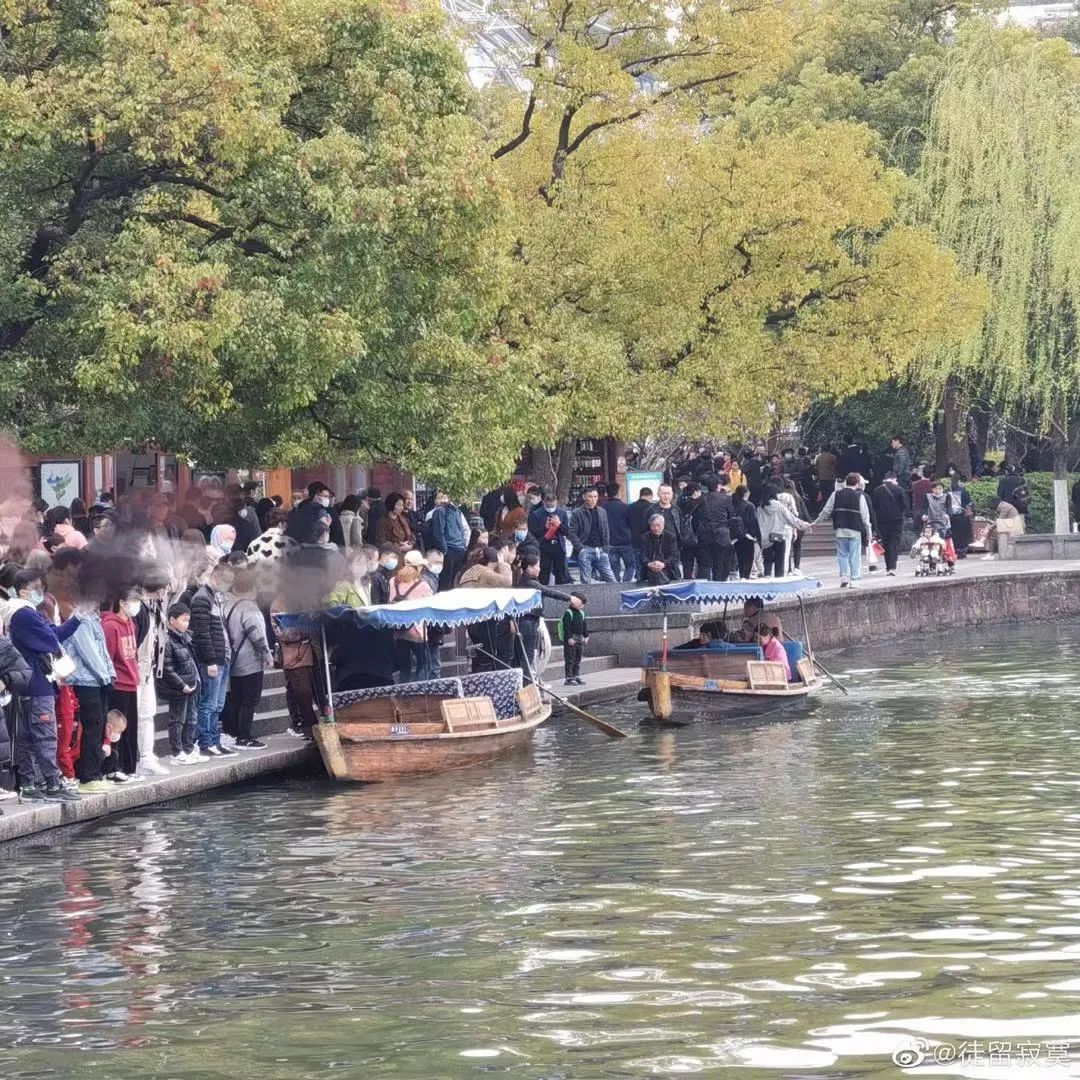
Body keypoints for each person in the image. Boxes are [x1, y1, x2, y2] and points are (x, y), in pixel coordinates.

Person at [4, 570, 81, 802]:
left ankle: (28, 785)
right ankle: (52, 783)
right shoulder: (25, 614)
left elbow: (53, 635)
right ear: (24, 590)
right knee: (45, 736)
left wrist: (77, 618)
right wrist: (78, 617)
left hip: (28, 682)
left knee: (28, 737)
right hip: (37, 682)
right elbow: (51, 639)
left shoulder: (20, 613)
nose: (41, 591)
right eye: (37, 587)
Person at [65, 596, 115, 794]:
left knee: (99, 726)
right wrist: (105, 677)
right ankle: (88, 776)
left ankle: (95, 773)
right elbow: (89, 653)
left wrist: (110, 674)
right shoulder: (79, 619)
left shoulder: (94, 619)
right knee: (92, 726)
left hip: (98, 681)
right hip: (86, 681)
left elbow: (102, 652)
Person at [189, 558, 237, 757]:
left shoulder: (213, 597)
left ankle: (214, 741)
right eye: (225, 581)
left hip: (221, 656)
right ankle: (205, 742)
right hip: (212, 659)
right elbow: (201, 633)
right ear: (214, 577)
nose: (226, 586)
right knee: (208, 702)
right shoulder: (202, 598)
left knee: (217, 703)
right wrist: (210, 661)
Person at [224, 570, 273, 749]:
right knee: (250, 699)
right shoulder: (249, 608)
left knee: (237, 698)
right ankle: (244, 737)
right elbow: (257, 634)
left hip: (234, 661)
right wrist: (267, 654)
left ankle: (236, 733)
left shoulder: (229, 605)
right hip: (249, 661)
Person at [101, 588, 143, 782]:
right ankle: (114, 768)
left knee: (130, 728)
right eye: (133, 601)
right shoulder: (111, 626)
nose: (137, 606)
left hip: (131, 682)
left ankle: (129, 767)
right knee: (116, 728)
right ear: (122, 603)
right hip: (118, 684)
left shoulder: (131, 624)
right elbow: (108, 657)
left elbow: (132, 654)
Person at [157, 603, 203, 765]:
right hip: (179, 688)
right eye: (183, 620)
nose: (186, 624)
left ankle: (188, 748)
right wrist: (182, 684)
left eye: (188, 620)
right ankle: (177, 752)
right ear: (172, 620)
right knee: (177, 720)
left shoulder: (185, 637)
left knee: (191, 719)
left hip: (191, 684)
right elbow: (167, 668)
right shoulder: (168, 640)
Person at [515, 554, 571, 682]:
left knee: (530, 653)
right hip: (527, 621)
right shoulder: (530, 583)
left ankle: (529, 680)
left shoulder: (526, 580)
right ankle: (527, 683)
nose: (539, 569)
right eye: (537, 566)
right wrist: (569, 598)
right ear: (529, 567)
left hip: (531, 620)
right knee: (527, 654)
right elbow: (548, 591)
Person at [460, 547, 514, 671]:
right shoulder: (485, 573)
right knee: (487, 658)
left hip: (471, 619)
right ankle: (487, 686)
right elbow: (507, 581)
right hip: (484, 619)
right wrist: (503, 564)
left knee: (479, 657)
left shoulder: (469, 572)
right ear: (492, 562)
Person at [815, 473, 872, 588]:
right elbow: (865, 517)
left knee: (842, 554)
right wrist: (869, 532)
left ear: (846, 482)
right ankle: (854, 579)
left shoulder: (836, 494)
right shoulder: (860, 496)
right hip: (855, 529)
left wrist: (816, 522)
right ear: (857, 483)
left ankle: (844, 578)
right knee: (854, 555)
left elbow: (826, 511)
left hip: (840, 529)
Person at [389, 561, 433, 683]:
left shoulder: (393, 581)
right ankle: (421, 691)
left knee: (404, 668)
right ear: (418, 567)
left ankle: (404, 694)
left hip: (398, 631)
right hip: (417, 633)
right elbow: (430, 604)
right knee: (424, 665)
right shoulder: (423, 585)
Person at [756, 487, 810, 579]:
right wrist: (805, 525)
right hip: (779, 536)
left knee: (767, 562)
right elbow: (791, 519)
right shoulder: (779, 506)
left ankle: (767, 577)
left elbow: (757, 523)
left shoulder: (760, 508)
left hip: (765, 539)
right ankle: (779, 580)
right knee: (780, 562)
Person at [695, 474, 737, 582]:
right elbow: (731, 515)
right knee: (720, 563)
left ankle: (704, 589)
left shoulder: (702, 499)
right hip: (722, 534)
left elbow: (697, 517)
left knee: (705, 564)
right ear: (718, 486)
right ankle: (719, 587)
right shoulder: (725, 498)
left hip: (705, 534)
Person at [569, 487, 615, 583]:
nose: (593, 499)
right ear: (584, 497)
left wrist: (606, 547)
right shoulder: (577, 513)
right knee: (586, 580)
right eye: (590, 497)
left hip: (601, 549)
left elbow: (606, 530)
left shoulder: (602, 511)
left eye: (595, 496)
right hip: (586, 548)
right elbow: (572, 533)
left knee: (611, 578)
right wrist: (580, 548)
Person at [529, 494, 571, 585]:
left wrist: (559, 525)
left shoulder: (562, 513)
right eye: (548, 506)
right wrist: (545, 527)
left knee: (561, 572)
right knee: (543, 572)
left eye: (552, 505)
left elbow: (566, 532)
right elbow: (533, 533)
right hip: (543, 546)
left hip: (558, 546)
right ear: (543, 502)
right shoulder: (536, 514)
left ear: (556, 502)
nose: (550, 508)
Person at [430, 490, 469, 590]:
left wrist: (463, 546)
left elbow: (463, 529)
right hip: (449, 550)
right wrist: (444, 550)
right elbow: (438, 533)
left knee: (456, 583)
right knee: (446, 584)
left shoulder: (458, 511)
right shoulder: (440, 511)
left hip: (459, 550)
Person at [871, 473, 906, 575]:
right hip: (896, 520)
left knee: (886, 543)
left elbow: (874, 506)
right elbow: (904, 505)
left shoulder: (877, 490)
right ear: (894, 479)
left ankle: (888, 566)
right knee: (894, 543)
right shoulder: (899, 489)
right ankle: (892, 567)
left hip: (882, 521)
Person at [602, 483, 636, 583]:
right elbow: (631, 524)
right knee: (630, 566)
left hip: (610, 543)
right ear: (618, 493)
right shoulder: (626, 507)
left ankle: (616, 587)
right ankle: (625, 584)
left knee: (614, 569)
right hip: (626, 542)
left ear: (606, 494)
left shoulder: (602, 508)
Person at [639, 514, 680, 584]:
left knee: (658, 575)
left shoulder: (670, 537)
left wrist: (663, 564)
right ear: (650, 526)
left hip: (667, 568)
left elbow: (674, 556)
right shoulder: (644, 538)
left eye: (658, 525)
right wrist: (650, 564)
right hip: (650, 568)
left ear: (663, 525)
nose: (656, 528)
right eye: (653, 526)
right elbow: (643, 555)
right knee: (654, 574)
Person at [559, 592, 588, 686]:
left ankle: (576, 675)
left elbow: (584, 625)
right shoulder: (568, 613)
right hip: (571, 639)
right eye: (581, 603)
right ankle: (569, 677)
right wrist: (569, 638)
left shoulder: (581, 613)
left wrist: (586, 635)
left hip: (580, 638)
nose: (582, 605)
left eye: (583, 604)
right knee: (570, 658)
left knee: (578, 658)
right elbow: (566, 627)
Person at [627, 487, 654, 572]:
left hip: (635, 540)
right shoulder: (652, 508)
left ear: (640, 495)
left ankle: (639, 582)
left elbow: (627, 523)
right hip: (649, 541)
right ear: (651, 496)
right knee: (649, 565)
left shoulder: (630, 507)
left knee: (638, 565)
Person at [947, 472, 973, 557]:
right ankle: (961, 551)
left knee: (953, 534)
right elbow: (968, 504)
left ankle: (954, 550)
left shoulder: (947, 491)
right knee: (962, 534)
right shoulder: (963, 491)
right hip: (961, 516)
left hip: (951, 517)